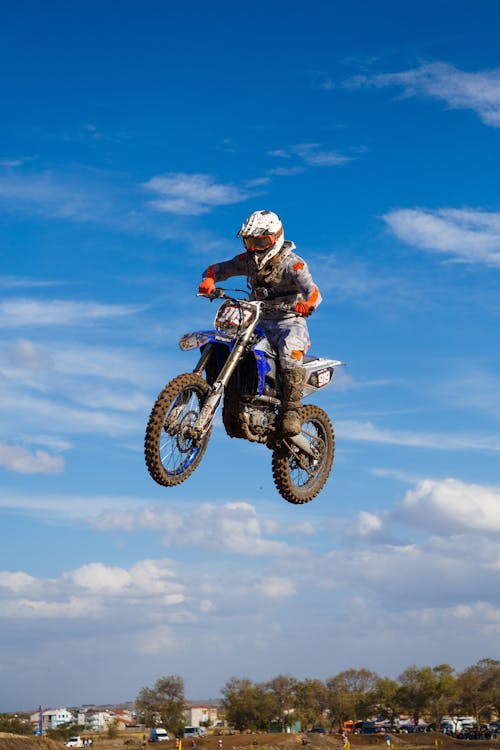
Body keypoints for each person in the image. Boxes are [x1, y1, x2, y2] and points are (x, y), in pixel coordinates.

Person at [198, 209, 322, 436]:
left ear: (275, 237)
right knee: (232, 344)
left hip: (289, 321)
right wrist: (209, 279)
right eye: (250, 241)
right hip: (257, 318)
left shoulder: (293, 264)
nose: (254, 247)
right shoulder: (248, 262)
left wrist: (308, 304)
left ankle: (291, 411)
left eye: (261, 241)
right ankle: (232, 402)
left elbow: (313, 292)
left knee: (289, 354)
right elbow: (218, 268)